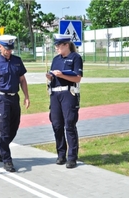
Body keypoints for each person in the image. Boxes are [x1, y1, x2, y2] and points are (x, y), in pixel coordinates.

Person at [0, 34, 30, 172]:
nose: (9, 51)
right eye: (6, 49)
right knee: (4, 129)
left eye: (10, 49)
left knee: (14, 128)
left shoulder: (17, 61)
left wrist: (27, 96)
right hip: (2, 99)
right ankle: (7, 160)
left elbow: (22, 80)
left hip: (15, 98)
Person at [45, 34, 83, 169]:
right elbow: (54, 78)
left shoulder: (75, 58)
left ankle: (72, 157)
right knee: (56, 125)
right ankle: (61, 154)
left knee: (69, 125)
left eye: (58, 45)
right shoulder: (56, 59)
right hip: (55, 94)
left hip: (68, 93)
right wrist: (50, 77)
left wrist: (63, 75)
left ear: (66, 45)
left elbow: (77, 78)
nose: (56, 48)